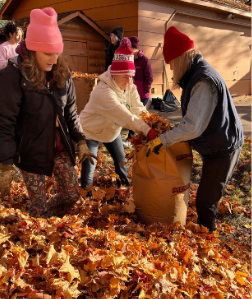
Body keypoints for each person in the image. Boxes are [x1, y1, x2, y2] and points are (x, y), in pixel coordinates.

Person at [0, 7, 96, 218]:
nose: (53, 59)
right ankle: (38, 237)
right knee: (39, 207)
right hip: (31, 149)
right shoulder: (13, 76)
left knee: (72, 194)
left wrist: (80, 141)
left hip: (59, 145)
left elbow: (70, 112)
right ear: (33, 49)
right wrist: (5, 163)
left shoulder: (62, 74)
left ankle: (46, 219)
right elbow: (5, 121)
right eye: (47, 53)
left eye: (56, 52)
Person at [146, 26, 244, 233]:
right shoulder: (195, 75)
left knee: (205, 201)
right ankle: (205, 234)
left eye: (172, 63)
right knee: (205, 196)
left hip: (224, 147)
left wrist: (162, 141)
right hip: (216, 144)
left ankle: (208, 241)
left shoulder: (202, 80)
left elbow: (193, 126)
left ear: (181, 58)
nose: (171, 69)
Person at [80, 38, 156, 193]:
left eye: (131, 76)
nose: (129, 82)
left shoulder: (130, 86)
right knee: (90, 167)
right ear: (114, 74)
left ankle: (125, 189)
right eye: (125, 77)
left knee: (121, 161)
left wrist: (151, 122)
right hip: (91, 132)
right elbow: (126, 117)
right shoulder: (104, 92)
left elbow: (138, 108)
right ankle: (84, 197)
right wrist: (147, 131)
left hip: (111, 130)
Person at [123, 36, 153, 148]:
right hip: (130, 94)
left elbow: (149, 77)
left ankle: (132, 139)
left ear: (136, 48)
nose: (129, 51)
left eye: (131, 48)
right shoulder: (129, 60)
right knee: (131, 115)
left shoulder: (144, 60)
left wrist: (146, 89)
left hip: (142, 95)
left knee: (136, 116)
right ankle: (136, 138)